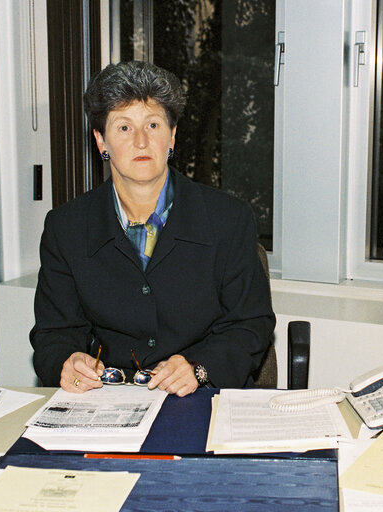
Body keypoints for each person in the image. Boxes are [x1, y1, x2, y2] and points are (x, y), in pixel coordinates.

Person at [30, 61, 275, 396]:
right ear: (101, 141)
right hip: (107, 400)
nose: (141, 142)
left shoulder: (227, 219)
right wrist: (67, 360)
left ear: (171, 136)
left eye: (153, 125)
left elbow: (251, 325)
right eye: (124, 128)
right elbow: (53, 333)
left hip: (202, 394)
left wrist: (199, 368)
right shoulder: (66, 227)